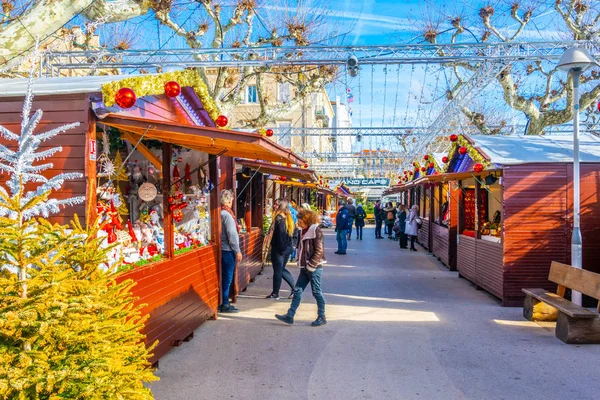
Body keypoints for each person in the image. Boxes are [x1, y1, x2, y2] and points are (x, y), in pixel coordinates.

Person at [275, 209, 327, 327]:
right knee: (297, 290)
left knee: (316, 292)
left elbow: (319, 250)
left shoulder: (315, 231)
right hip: (305, 267)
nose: (298, 223)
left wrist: (311, 265)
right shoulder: (302, 231)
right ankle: (290, 315)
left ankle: (322, 316)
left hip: (314, 267)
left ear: (307, 220)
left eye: (300, 221)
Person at [267, 199, 296, 299]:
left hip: (280, 249)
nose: (274, 206)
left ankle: (276, 293)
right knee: (281, 270)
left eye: (276, 204)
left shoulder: (279, 218)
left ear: (280, 207)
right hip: (287, 248)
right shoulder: (288, 218)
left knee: (278, 271)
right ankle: (295, 289)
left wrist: (280, 248)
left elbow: (280, 234)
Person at [219, 189, 243, 313]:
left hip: (223, 249)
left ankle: (224, 301)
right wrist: (237, 250)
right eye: (231, 200)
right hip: (227, 250)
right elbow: (232, 234)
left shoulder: (221, 213)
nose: (232, 202)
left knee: (225, 277)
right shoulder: (227, 215)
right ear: (228, 200)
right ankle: (225, 303)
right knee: (227, 278)